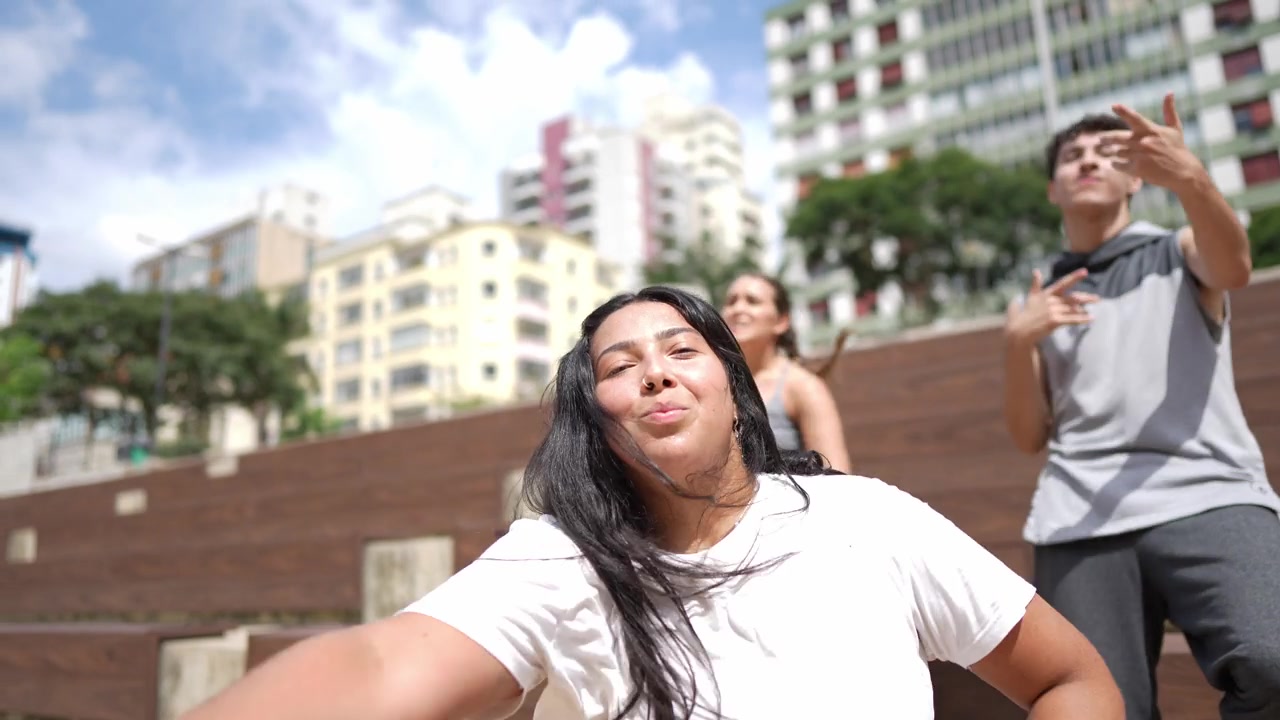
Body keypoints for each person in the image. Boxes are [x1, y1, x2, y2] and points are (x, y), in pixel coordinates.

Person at [184, 286, 1119, 720]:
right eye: (620, 367)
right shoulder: (558, 557)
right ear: (596, 421)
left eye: (681, 351)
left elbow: (1072, 681)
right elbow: (379, 665)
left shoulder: (868, 521)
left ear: (737, 390)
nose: (656, 375)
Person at [1003, 94, 1280, 719]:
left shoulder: (1179, 249)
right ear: (1052, 190)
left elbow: (1235, 267)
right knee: (1098, 707)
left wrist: (1191, 178)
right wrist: (1018, 343)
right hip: (1081, 516)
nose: (1088, 161)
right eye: (1072, 155)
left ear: (1135, 178)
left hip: (1208, 491)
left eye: (1107, 151)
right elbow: (1027, 436)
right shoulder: (1037, 297)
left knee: (1272, 659)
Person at [722, 273, 852, 472]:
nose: (738, 309)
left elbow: (837, 473)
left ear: (781, 322)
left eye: (752, 301)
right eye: (731, 301)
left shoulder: (803, 387)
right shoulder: (712, 381)